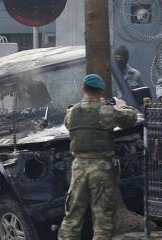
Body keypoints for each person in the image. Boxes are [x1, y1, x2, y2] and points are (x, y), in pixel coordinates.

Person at [57, 74, 138, 240]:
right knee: (102, 221)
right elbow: (131, 118)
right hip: (101, 169)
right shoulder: (106, 111)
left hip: (78, 168)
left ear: (82, 89)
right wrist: (121, 106)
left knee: (72, 218)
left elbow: (68, 123)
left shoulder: (72, 113)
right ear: (101, 92)